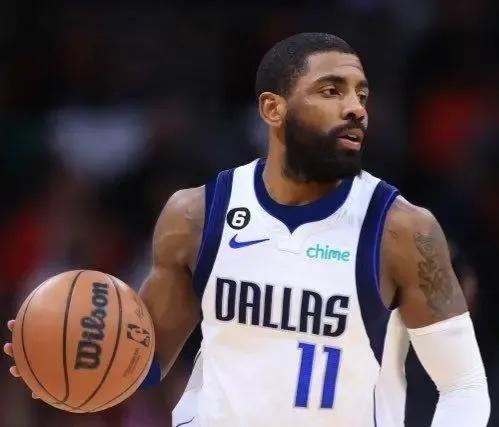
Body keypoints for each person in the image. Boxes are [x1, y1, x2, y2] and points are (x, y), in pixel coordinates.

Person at [4, 33, 490, 427]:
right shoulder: (194, 216)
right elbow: (139, 363)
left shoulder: (403, 230)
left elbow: (464, 387)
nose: (354, 108)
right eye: (331, 92)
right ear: (273, 109)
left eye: (360, 94)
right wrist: (52, 352)